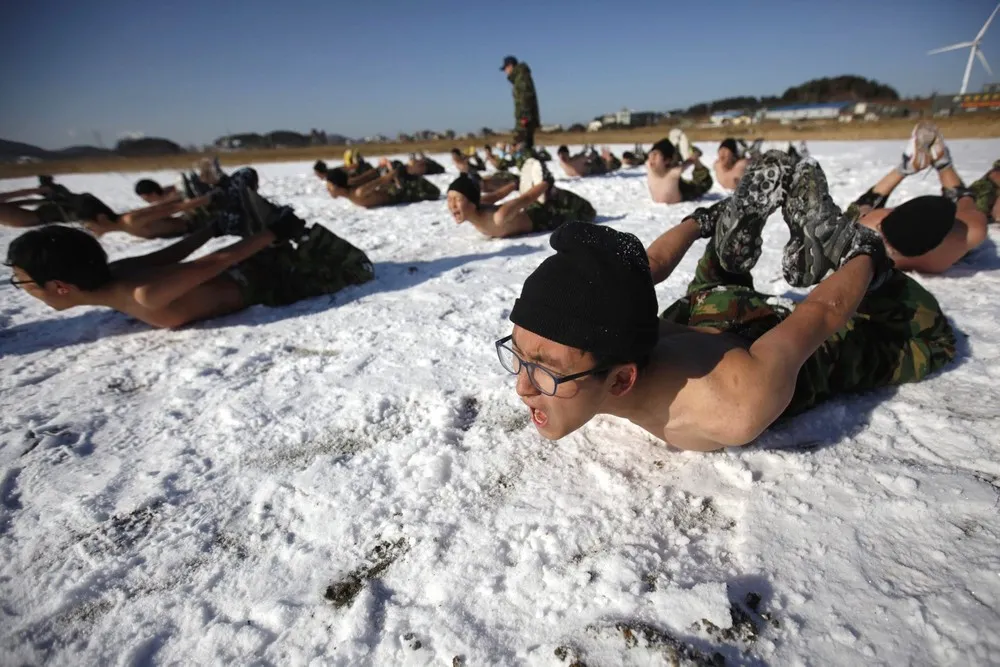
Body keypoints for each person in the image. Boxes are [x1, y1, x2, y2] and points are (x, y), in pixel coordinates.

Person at [495, 151, 954, 450]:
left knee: (926, 335)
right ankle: (726, 237)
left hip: (753, 349)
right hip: (708, 309)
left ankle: (852, 245)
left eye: (546, 371)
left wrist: (867, 258)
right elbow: (644, 266)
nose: (522, 386)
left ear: (620, 381)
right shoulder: (606, 331)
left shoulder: (731, 404)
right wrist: (701, 220)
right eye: (518, 356)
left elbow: (821, 313)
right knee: (709, 295)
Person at [5, 189, 374, 329]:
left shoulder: (141, 295)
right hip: (253, 268)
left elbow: (210, 264)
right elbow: (171, 254)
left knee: (354, 269)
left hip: (272, 280)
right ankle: (255, 221)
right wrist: (210, 229)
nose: (23, 288)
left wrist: (275, 233)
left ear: (59, 286)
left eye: (23, 281)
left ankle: (274, 231)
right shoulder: (116, 276)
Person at [845, 122, 989, 274]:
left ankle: (906, 168)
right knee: (964, 199)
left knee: (861, 209)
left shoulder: (869, 229)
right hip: (949, 244)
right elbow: (965, 202)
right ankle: (943, 164)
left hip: (873, 228)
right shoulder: (968, 233)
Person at [446, 158, 595, 238]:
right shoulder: (479, 204)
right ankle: (549, 193)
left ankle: (552, 192)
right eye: (449, 199)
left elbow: (527, 198)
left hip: (543, 218)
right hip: (530, 209)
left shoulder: (499, 217)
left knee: (588, 213)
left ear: (472, 203)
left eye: (457, 199)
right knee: (542, 199)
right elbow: (498, 195)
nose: (452, 205)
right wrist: (514, 184)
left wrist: (546, 182)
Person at [325, 162, 439, 208]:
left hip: (402, 192)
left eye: (329, 187)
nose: (328, 190)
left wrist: (393, 171)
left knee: (435, 192)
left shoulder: (359, 192)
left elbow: (384, 179)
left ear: (336, 186)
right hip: (395, 190)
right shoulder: (352, 191)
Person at [646, 132, 713, 204]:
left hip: (686, 192)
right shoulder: (648, 165)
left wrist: (695, 155)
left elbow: (690, 160)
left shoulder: (673, 173)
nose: (652, 158)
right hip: (675, 179)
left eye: (656, 155)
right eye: (651, 154)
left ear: (667, 160)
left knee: (700, 185)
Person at [501, 56, 540, 154]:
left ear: (510, 66)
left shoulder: (521, 77)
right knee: (525, 147)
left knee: (520, 147)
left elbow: (525, 97)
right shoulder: (521, 77)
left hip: (524, 119)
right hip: (525, 118)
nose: (505, 71)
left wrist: (524, 118)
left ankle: (529, 166)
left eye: (505, 68)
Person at [556, 145, 622, 178]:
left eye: (564, 155)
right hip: (590, 166)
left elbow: (592, 156)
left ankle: (610, 158)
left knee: (611, 166)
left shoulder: (577, 160)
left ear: (568, 154)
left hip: (595, 168)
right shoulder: (561, 163)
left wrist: (592, 154)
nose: (562, 158)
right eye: (560, 156)